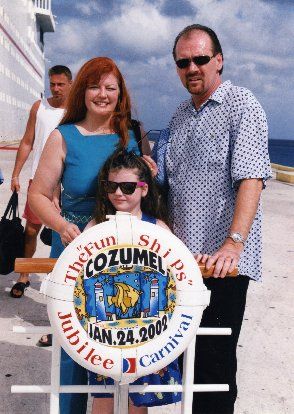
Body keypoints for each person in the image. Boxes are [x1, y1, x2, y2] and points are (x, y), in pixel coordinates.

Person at [152, 24, 272, 413]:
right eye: (183, 62)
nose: (192, 68)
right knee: (184, 362)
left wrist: (233, 244)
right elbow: (166, 185)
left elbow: (252, 177)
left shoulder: (243, 104)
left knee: (215, 366)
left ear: (218, 60)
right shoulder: (179, 114)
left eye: (201, 59)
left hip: (224, 266)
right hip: (183, 265)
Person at [29, 57, 151, 414]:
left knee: (121, 343)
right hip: (71, 248)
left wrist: (149, 174)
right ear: (82, 91)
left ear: (120, 94)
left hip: (122, 255)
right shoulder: (62, 136)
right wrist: (62, 225)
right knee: (73, 345)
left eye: (110, 88)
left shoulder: (131, 136)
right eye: (95, 86)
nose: (102, 94)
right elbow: (37, 194)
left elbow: (142, 189)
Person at [85, 150, 181, 414]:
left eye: (127, 187)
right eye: (111, 186)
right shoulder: (95, 227)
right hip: (105, 330)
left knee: (139, 398)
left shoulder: (158, 228)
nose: (119, 193)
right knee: (103, 394)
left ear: (144, 189)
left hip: (146, 330)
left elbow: (176, 276)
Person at [10, 65, 72, 298]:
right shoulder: (40, 107)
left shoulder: (76, 110)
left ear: (71, 84)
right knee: (31, 230)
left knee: (64, 234)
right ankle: (24, 276)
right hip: (40, 181)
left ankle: (60, 279)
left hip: (67, 183)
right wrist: (16, 174)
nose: (55, 89)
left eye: (60, 84)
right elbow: (27, 141)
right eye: (52, 84)